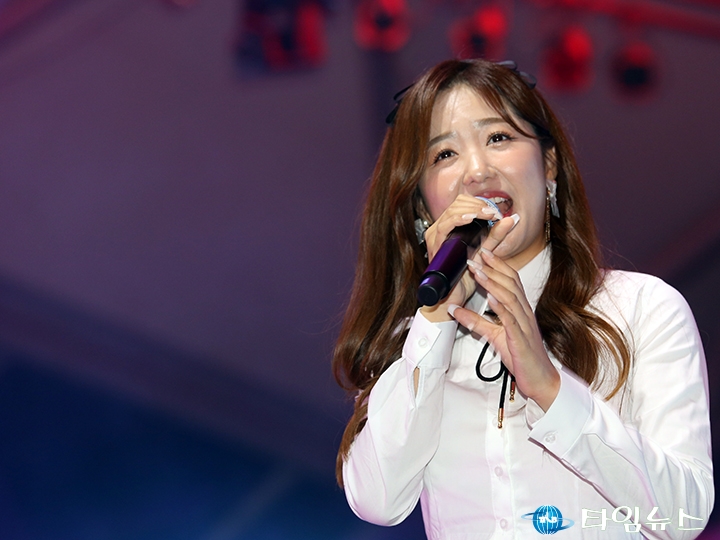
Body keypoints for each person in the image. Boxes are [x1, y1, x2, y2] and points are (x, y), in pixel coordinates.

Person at [332, 58, 714, 539]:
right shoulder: (413, 345)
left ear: (548, 167)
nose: (477, 170)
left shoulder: (640, 308)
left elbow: (684, 516)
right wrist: (434, 320)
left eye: (498, 137)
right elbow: (377, 501)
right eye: (444, 154)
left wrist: (551, 389)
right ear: (421, 208)